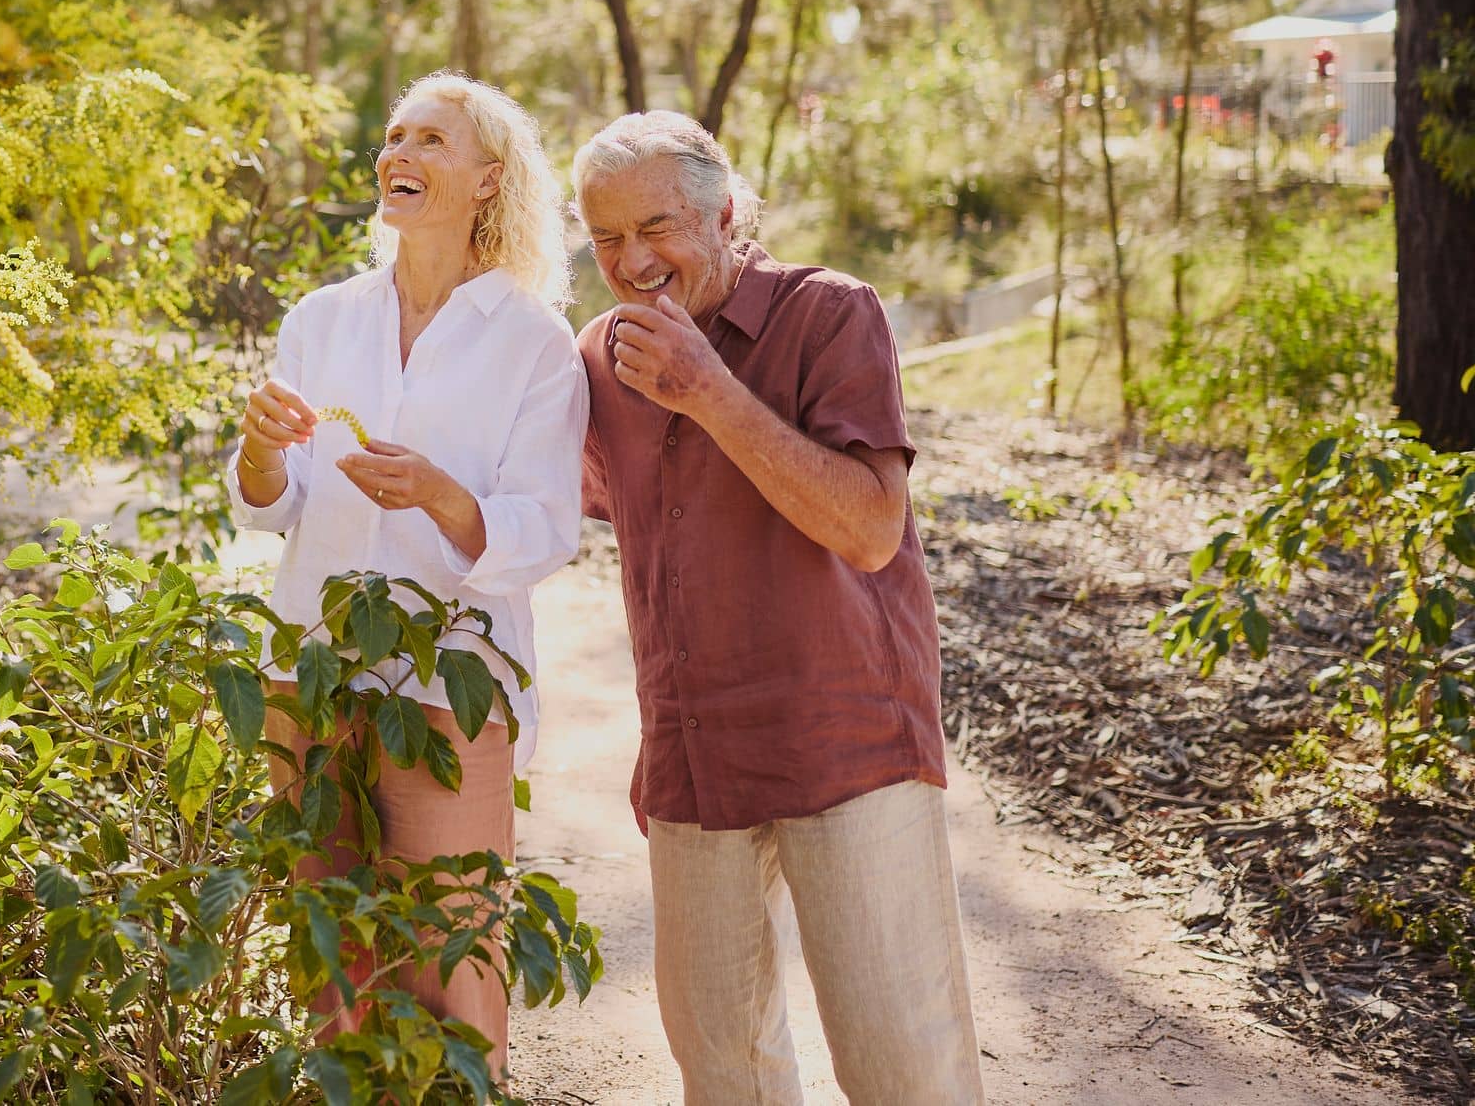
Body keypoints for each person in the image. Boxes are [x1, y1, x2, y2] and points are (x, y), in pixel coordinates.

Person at [569, 111, 982, 1106]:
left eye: (656, 226)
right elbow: (530, 506)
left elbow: (872, 528)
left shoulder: (828, 313)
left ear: (724, 213)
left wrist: (708, 393)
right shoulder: (598, 355)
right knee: (723, 1073)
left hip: (844, 741)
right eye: (607, 238)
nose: (633, 261)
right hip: (693, 755)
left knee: (900, 1069)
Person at [231, 71, 590, 1071]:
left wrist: (438, 494)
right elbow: (273, 499)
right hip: (311, 669)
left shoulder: (533, 342)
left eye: (430, 139)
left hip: (448, 683)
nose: (399, 154)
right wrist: (259, 450)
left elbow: (546, 525)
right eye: (394, 135)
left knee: (447, 954)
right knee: (325, 943)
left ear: (486, 179)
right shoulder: (322, 319)